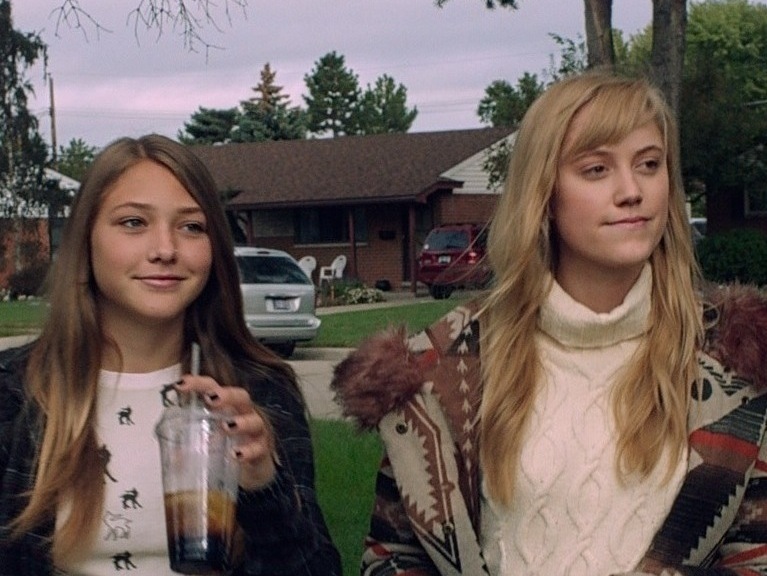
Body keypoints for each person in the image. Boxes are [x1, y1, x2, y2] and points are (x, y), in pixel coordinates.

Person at [331, 71, 767, 575]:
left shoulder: (732, 360)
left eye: (649, 164)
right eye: (597, 169)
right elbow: (391, 556)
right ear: (544, 193)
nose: (632, 191)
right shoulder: (449, 366)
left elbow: (755, 555)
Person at [0, 134, 342, 575]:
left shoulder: (258, 393)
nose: (165, 250)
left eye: (191, 227)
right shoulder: (15, 390)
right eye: (133, 222)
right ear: (85, 240)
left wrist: (263, 488)